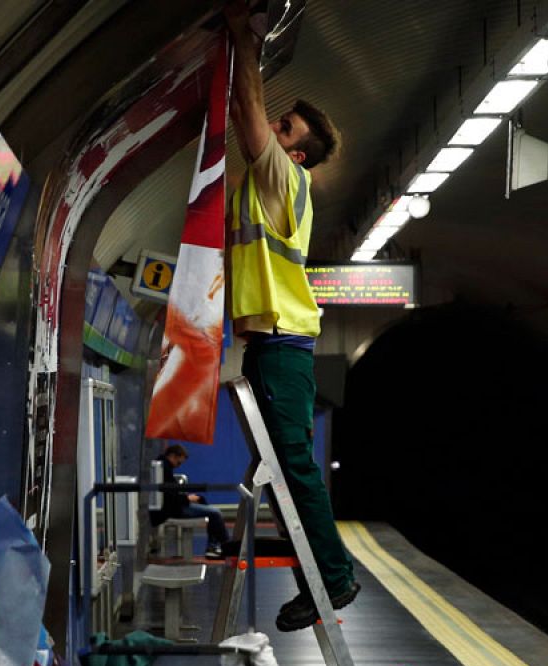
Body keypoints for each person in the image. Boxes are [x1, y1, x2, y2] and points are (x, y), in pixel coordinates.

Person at [224, 1, 357, 631]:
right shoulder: (270, 182)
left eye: (287, 129)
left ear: (297, 156)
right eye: (282, 122)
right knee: (283, 471)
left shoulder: (283, 181)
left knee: (295, 467)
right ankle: (321, 579)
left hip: (282, 342)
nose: (274, 130)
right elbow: (244, 119)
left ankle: (333, 579)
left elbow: (246, 119)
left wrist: (243, 43)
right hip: (273, 343)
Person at [151, 444, 230, 559]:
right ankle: (223, 546)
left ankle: (216, 546)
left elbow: (169, 494)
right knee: (215, 513)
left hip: (171, 507)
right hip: (172, 509)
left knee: (212, 511)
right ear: (172, 456)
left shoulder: (161, 468)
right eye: (178, 462)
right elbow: (170, 497)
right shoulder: (164, 470)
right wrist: (187, 498)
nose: (178, 466)